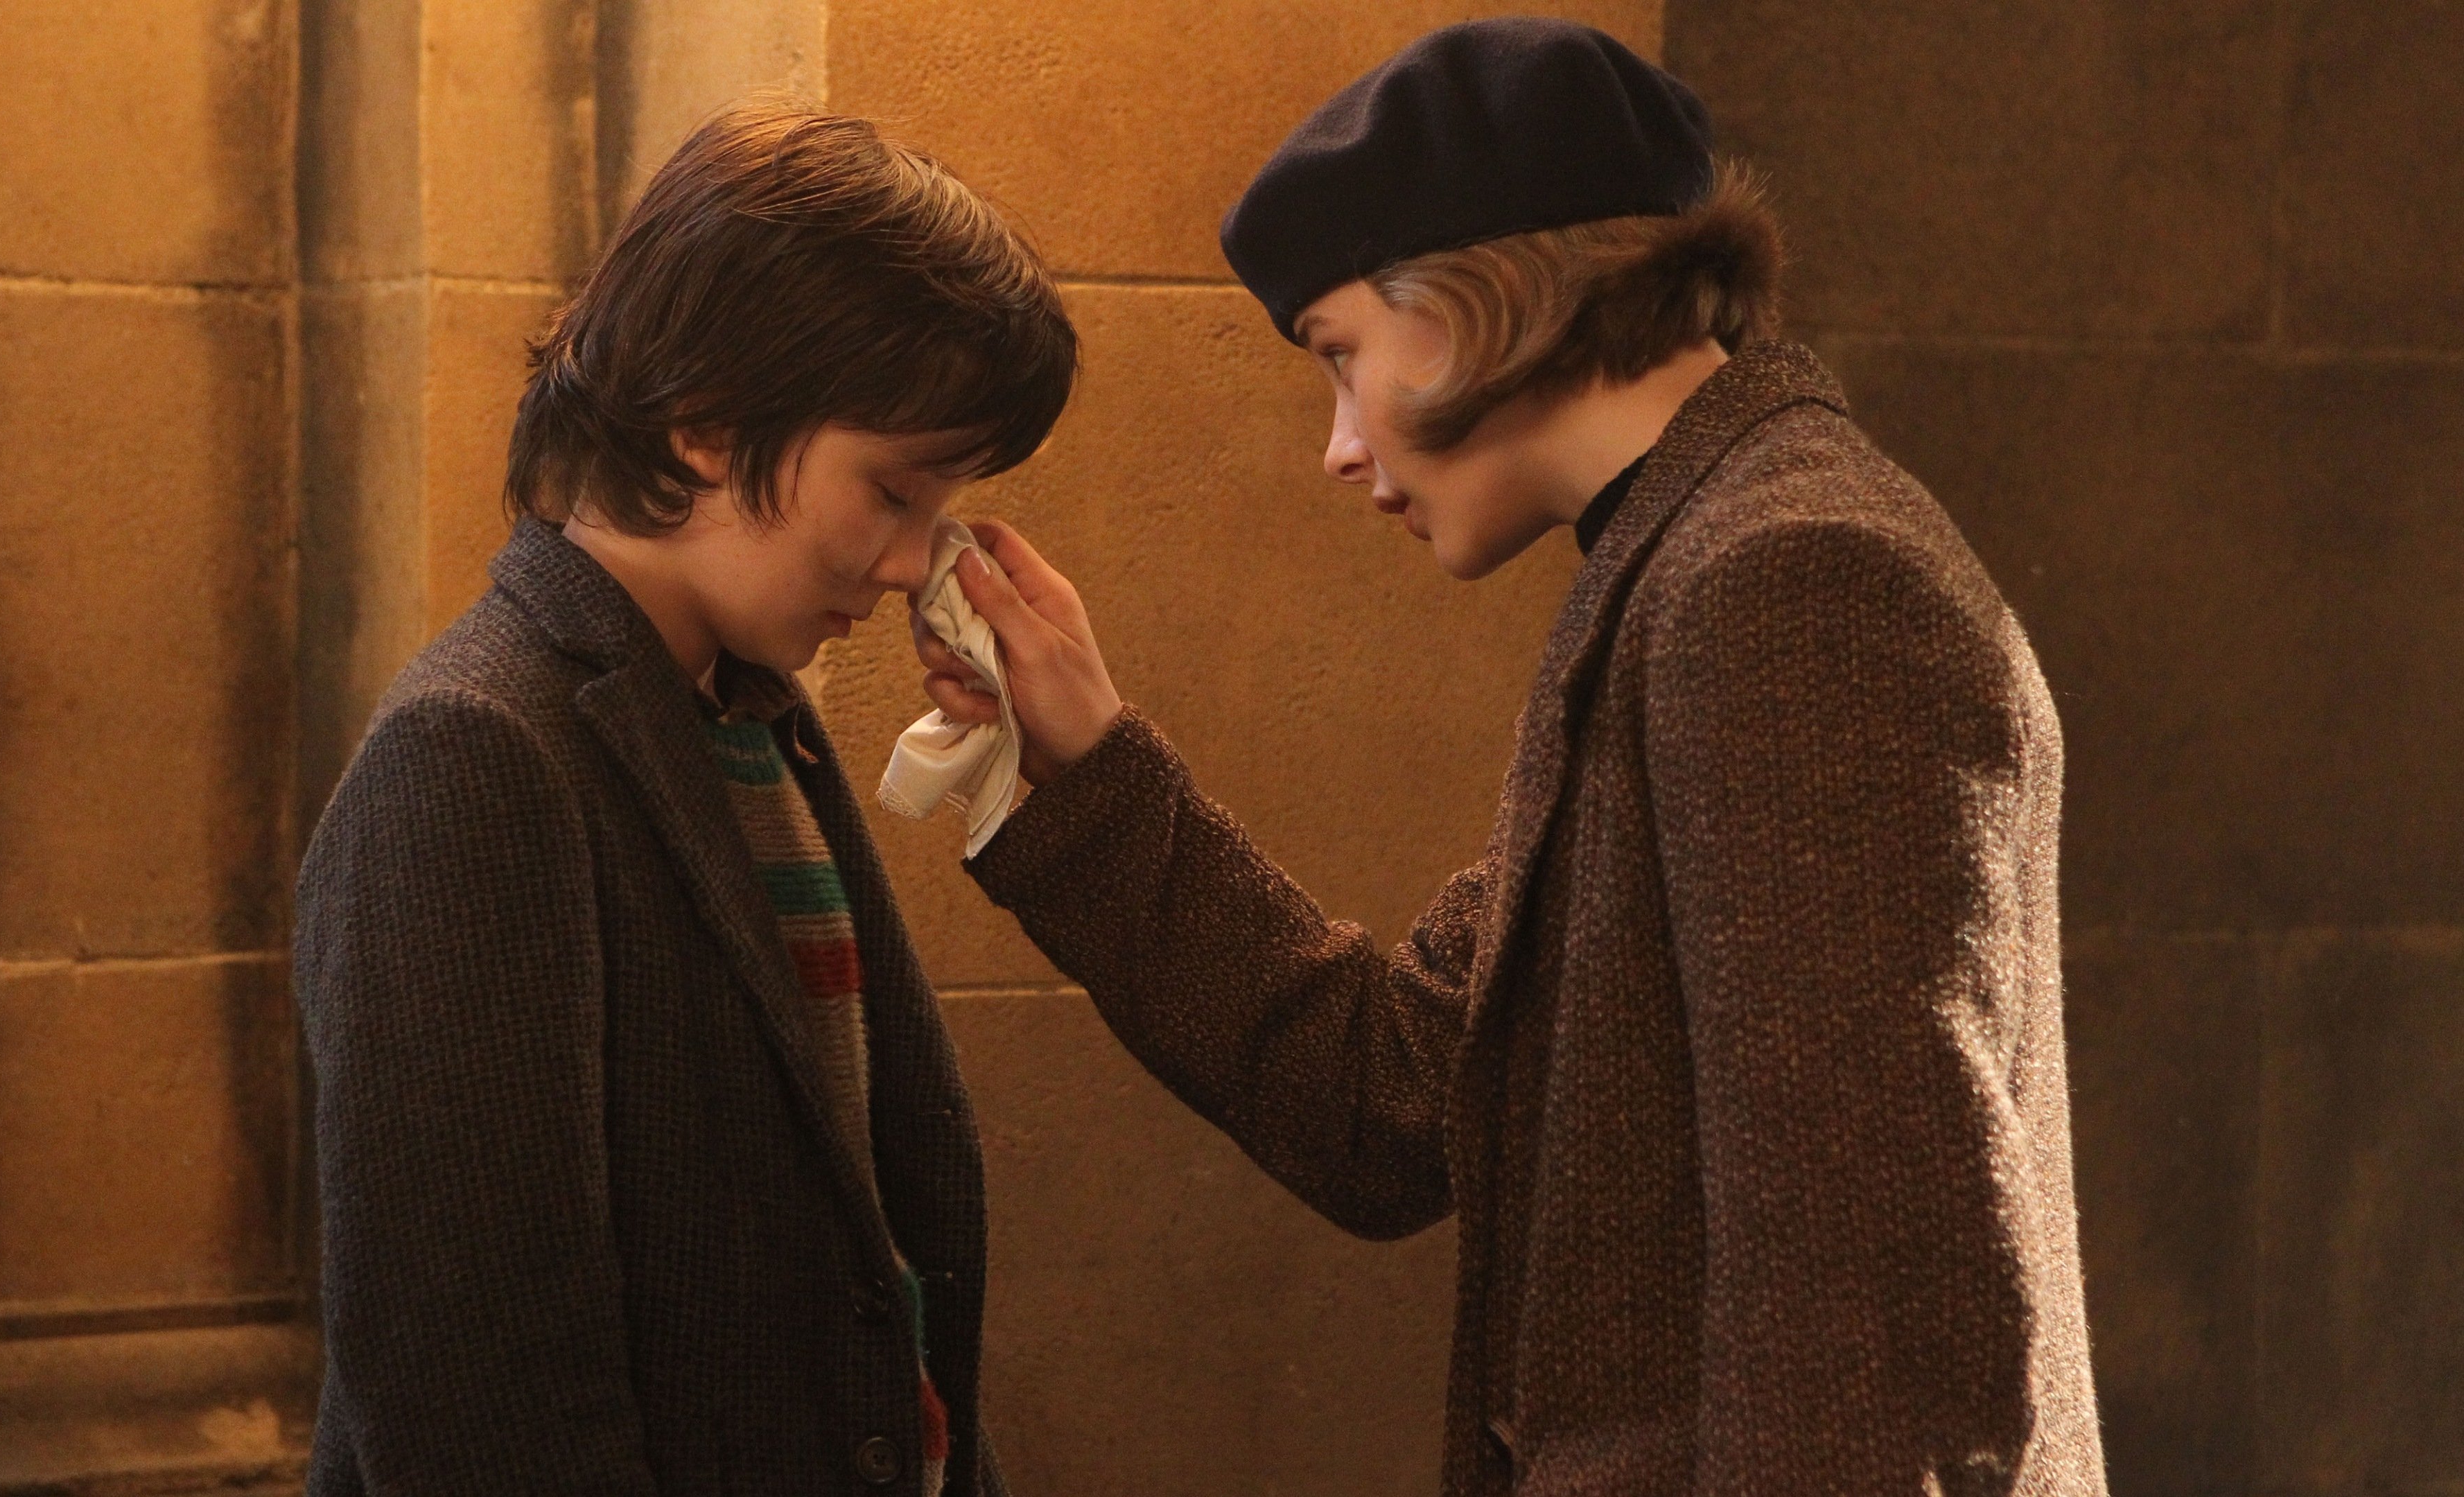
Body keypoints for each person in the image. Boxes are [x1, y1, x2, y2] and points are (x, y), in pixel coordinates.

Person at [914, 19, 2103, 1495]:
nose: (1340, 447)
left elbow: (1874, 1329)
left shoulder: (1789, 579)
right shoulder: (1686, 568)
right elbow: (1393, 1101)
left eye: (1340, 355)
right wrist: (1087, 763)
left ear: (1475, 295)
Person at [295, 100, 1074, 1496]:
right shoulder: (475, 753)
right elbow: (477, 1390)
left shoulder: (750, 718)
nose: (916, 564)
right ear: (705, 426)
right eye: (893, 492)